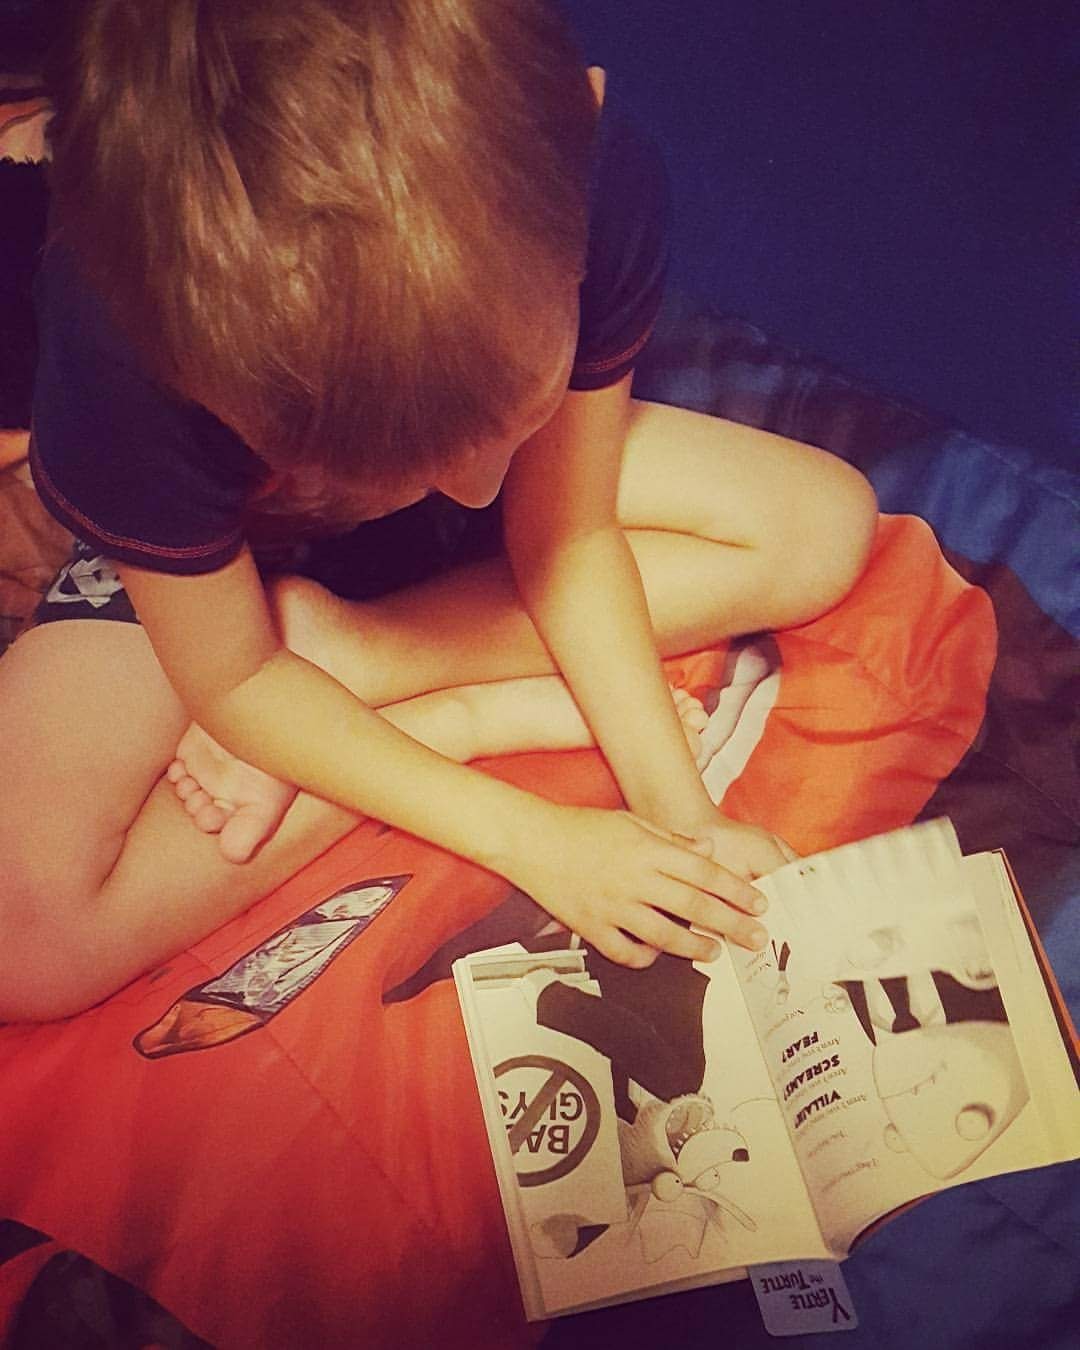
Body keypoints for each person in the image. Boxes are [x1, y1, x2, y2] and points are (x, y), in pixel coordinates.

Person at [0, 0, 878, 1022]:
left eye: (512, 417)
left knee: (821, 526)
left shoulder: (583, 169)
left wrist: (681, 810)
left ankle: (352, 653)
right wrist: (528, 830)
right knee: (23, 946)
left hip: (328, 596)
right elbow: (232, 677)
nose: (477, 490)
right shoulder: (123, 353)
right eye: (403, 471)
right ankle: (413, 691)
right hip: (230, 572)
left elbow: (564, 531)